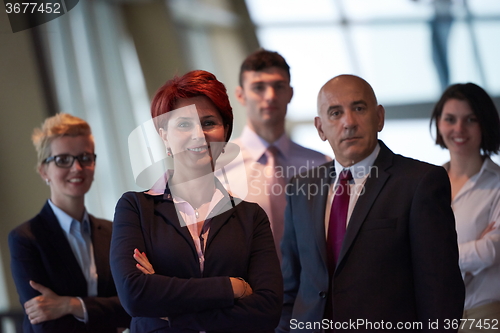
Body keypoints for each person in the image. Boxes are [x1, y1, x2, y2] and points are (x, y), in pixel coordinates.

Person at [278, 74, 465, 332]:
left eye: (358, 108)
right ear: (320, 128)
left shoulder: (420, 182)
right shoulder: (300, 188)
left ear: (379, 117)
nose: (349, 122)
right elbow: (290, 286)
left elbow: (441, 291)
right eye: (335, 113)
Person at [110, 70, 283, 333]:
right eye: (183, 124)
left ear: (225, 133)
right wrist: (232, 287)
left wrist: (172, 310)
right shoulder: (135, 208)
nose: (198, 134)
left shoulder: (251, 217)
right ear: (164, 134)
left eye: (209, 122)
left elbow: (267, 310)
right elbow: (134, 295)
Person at [8, 113, 130, 333]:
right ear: (44, 171)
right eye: (63, 160)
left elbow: (131, 306)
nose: (77, 168)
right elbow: (45, 323)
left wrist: (70, 305)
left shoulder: (113, 231)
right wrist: (106, 315)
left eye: (85, 158)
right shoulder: (26, 238)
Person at [222, 49, 330, 259]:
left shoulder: (322, 165)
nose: (270, 96)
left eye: (278, 86)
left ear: (290, 93)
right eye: (259, 87)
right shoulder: (216, 168)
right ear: (240, 95)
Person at [431, 83, 500, 331]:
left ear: (485, 124)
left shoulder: (497, 184)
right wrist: (470, 251)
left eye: (470, 119)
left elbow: (491, 251)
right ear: (439, 123)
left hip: (482, 315)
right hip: (432, 314)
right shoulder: (425, 183)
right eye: (450, 119)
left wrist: (434, 256)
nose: (459, 129)